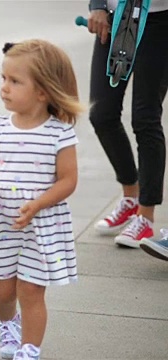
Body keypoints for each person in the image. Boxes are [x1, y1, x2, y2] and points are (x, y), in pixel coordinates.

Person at [0, 39, 83, 360]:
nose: (4, 87)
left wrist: (38, 204)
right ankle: (9, 324)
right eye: (3, 79)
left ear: (43, 92)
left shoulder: (59, 133)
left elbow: (68, 180)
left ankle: (29, 350)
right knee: (2, 292)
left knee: (31, 291)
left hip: (42, 226)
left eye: (15, 81)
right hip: (3, 223)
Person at [87, 0, 168, 248]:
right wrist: (98, 5)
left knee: (145, 118)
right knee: (101, 113)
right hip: (116, 16)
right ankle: (130, 196)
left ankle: (145, 216)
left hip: (159, 20)